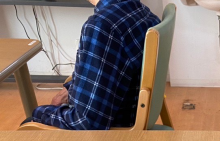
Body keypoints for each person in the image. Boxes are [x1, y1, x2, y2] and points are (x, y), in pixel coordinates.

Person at [27, 0, 160, 129]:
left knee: (28, 123)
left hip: (113, 134)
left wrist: (39, 112)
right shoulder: (139, 10)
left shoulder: (102, 26)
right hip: (129, 116)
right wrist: (69, 89)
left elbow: (86, 123)